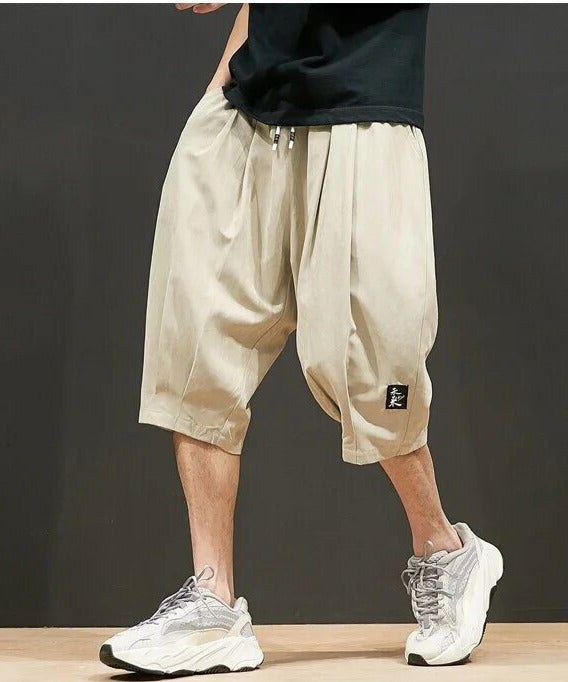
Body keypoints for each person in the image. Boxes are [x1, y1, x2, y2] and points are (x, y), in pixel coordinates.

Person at [99, 3, 503, 676]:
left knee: (372, 363)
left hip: (363, 107)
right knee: (195, 345)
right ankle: (212, 605)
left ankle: (445, 551)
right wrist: (218, 90)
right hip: (247, 109)